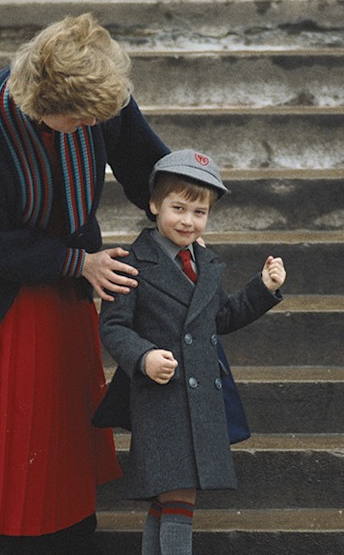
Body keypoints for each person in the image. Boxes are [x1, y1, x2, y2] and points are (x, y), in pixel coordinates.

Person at [0, 13, 170, 553]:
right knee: (24, 413)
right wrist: (79, 263)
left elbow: (143, 159)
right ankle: (18, 532)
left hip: (62, 260)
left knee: (64, 407)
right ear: (42, 105)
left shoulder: (96, 96)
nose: (92, 127)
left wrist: (178, 206)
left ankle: (69, 518)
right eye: (79, 120)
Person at [94, 149, 285, 555]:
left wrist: (263, 288)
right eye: (178, 208)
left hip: (200, 402)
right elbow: (113, 326)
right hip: (160, 399)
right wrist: (143, 357)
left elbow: (221, 317)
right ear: (154, 205)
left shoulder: (205, 263)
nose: (188, 221)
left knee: (170, 498)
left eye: (199, 212)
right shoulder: (132, 262)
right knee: (180, 495)